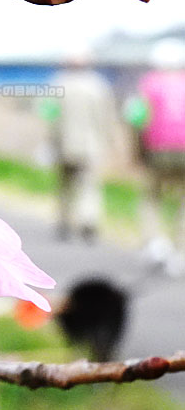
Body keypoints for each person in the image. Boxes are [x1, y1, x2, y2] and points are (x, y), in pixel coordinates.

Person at [125, 39, 185, 276]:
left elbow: (136, 118)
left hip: (157, 150)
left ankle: (154, 243)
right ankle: (180, 251)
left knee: (151, 197)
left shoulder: (149, 84)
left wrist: (137, 152)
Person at [44, 51, 118, 242]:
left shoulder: (57, 83)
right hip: (91, 146)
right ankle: (88, 220)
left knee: (64, 186)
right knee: (89, 185)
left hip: (64, 145)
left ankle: (64, 222)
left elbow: (50, 117)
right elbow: (106, 118)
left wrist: (49, 141)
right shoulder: (98, 86)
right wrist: (109, 140)